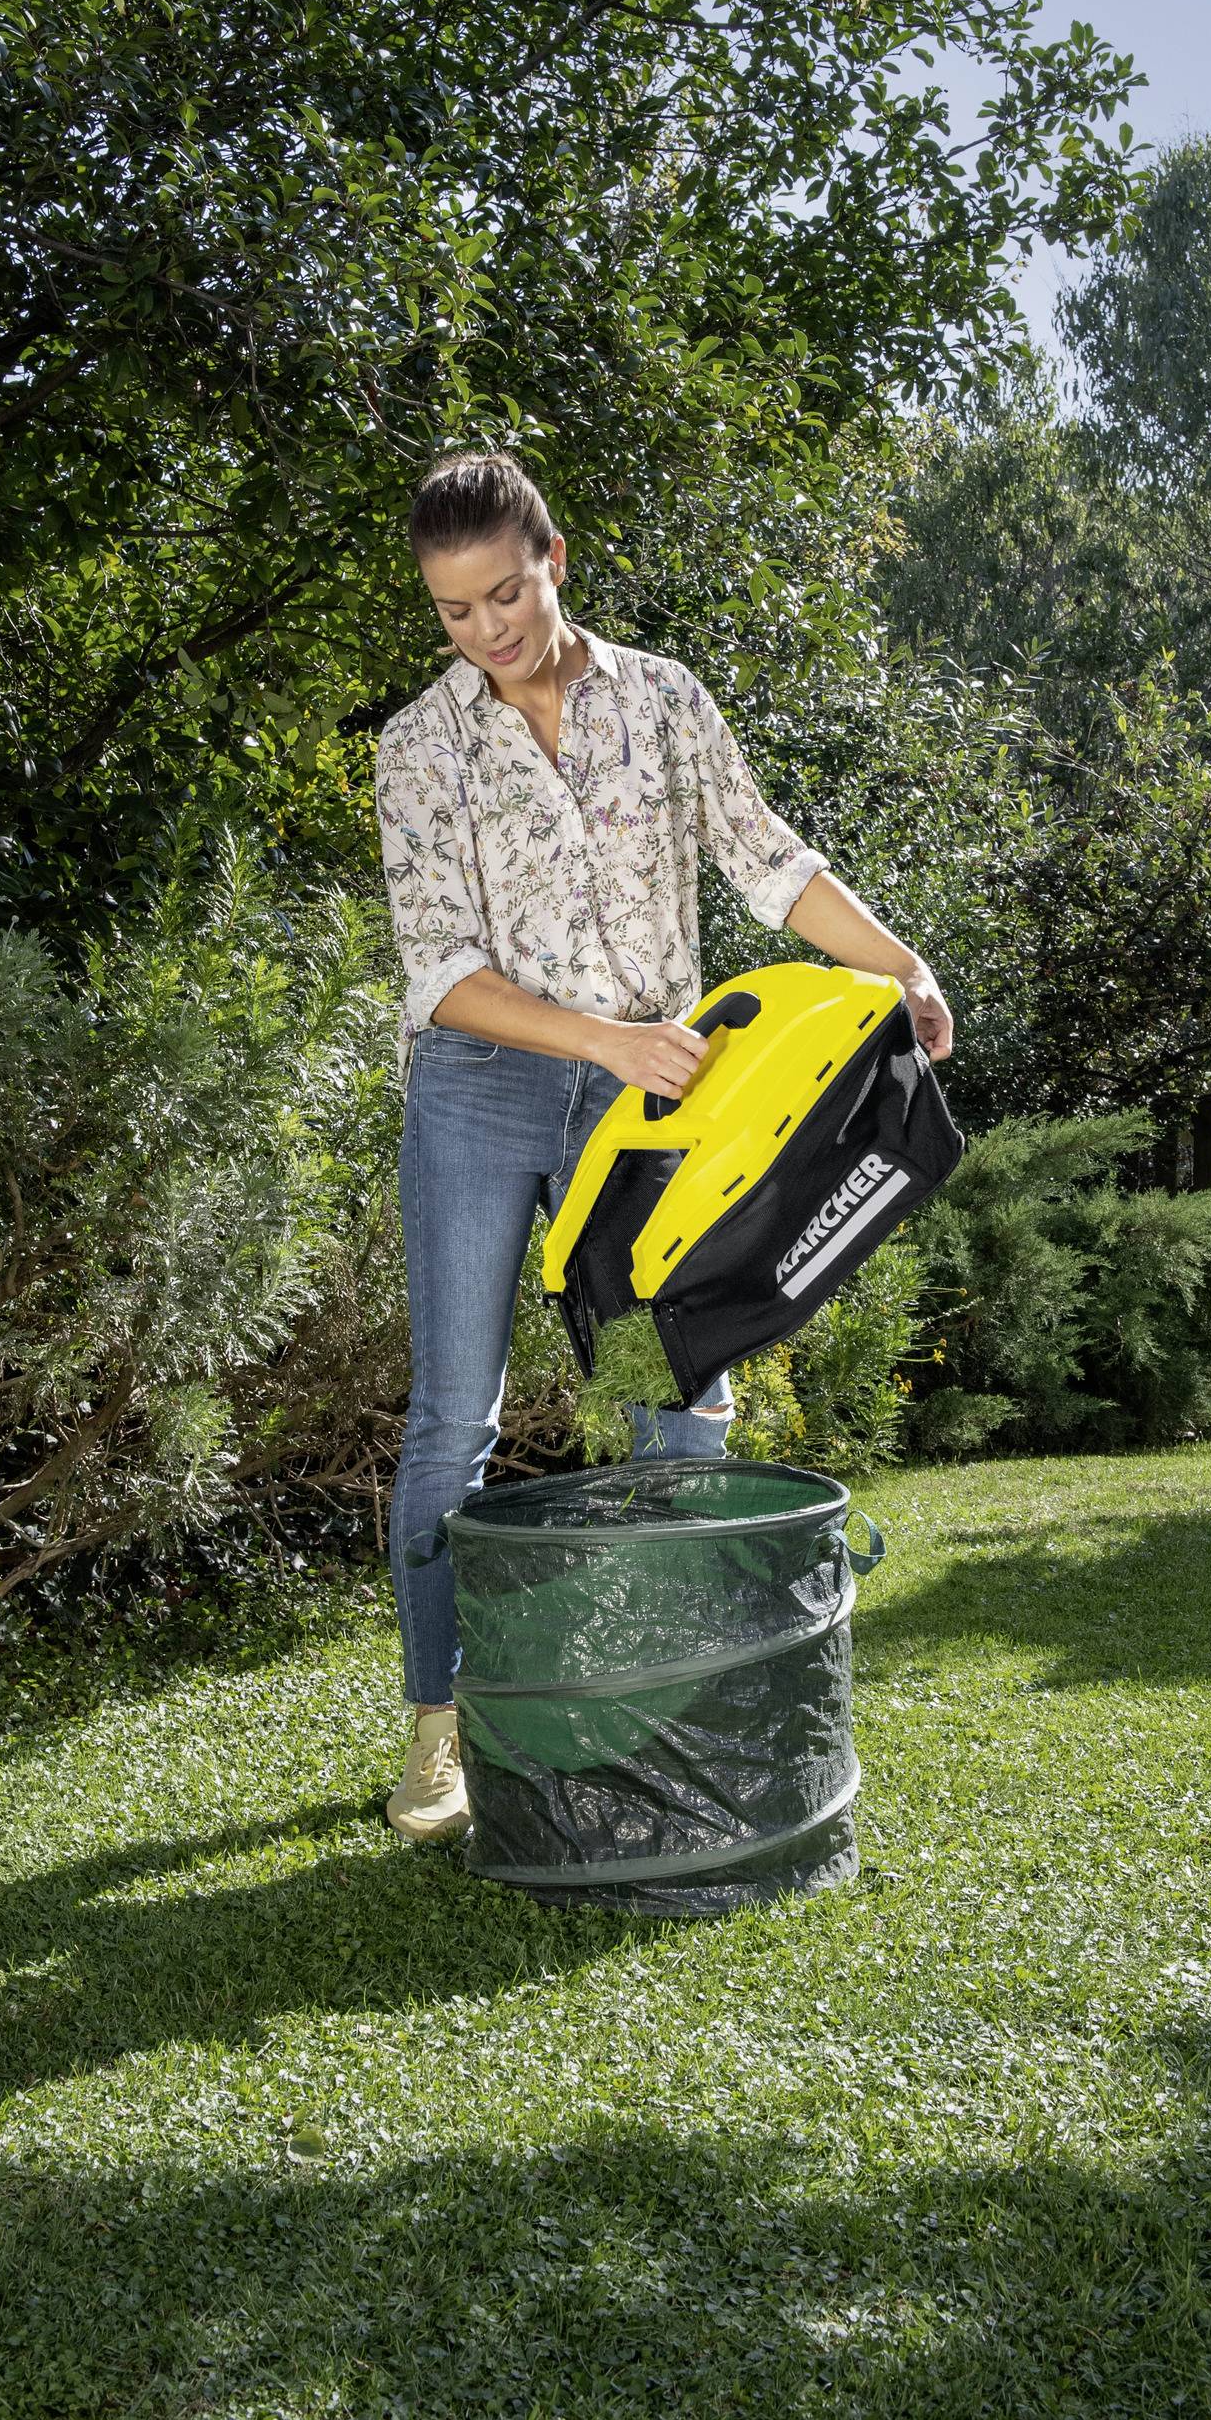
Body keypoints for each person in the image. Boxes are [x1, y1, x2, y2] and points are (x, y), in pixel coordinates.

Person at [374, 451, 953, 1842]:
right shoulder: (419, 748)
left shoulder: (668, 699)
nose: (487, 630)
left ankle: (674, 1701)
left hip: (653, 1102)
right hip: (484, 1087)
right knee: (458, 1415)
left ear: (554, 558)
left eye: (504, 593)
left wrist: (903, 966)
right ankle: (438, 1731)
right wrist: (608, 1040)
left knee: (675, 1390)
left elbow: (771, 863)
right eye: (455, 611)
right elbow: (439, 971)